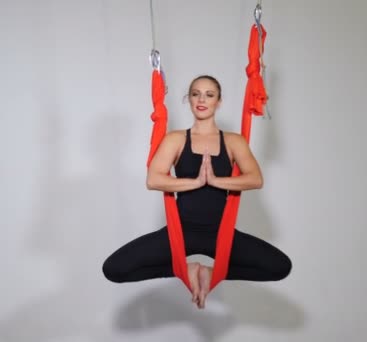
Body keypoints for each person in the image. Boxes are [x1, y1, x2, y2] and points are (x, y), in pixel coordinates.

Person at [102, 75, 292, 309]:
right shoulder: (176, 139)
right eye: (195, 94)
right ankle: (184, 270)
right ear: (189, 99)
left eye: (209, 95)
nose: (202, 99)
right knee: (114, 269)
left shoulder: (233, 141)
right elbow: (153, 179)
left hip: (220, 234)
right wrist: (197, 182)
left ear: (218, 102)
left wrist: (214, 180)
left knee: (280, 266)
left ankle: (213, 274)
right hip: (180, 233)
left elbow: (255, 179)